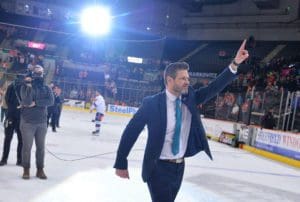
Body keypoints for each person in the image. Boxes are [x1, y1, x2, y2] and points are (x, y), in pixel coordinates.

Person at [114, 40, 249, 201]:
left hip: (179, 166)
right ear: (169, 81)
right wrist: (121, 162)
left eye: (188, 78)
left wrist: (235, 63)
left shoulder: (190, 96)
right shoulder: (151, 104)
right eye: (182, 78)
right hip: (158, 167)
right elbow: (131, 131)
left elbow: (214, 88)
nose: (187, 81)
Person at [20, 65, 54, 180]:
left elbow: (50, 101)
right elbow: (26, 101)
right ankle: (26, 169)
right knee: (27, 147)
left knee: (41, 148)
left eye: (40, 73)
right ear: (31, 73)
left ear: (43, 74)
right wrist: (28, 86)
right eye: (36, 72)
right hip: (28, 122)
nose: (38, 75)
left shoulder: (46, 87)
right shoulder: (24, 86)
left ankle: (40, 169)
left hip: (42, 122)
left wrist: (37, 103)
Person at [0, 75, 24, 166]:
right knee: (20, 140)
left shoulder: (11, 86)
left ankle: (4, 159)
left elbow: (7, 99)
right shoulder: (25, 87)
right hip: (20, 117)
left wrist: (12, 107)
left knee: (8, 139)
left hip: (10, 115)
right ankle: (19, 160)